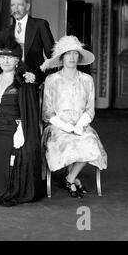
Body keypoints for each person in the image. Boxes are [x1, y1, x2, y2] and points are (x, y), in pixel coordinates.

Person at [0, 37, 44, 206]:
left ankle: (5, 191)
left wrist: (21, 128)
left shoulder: (24, 81)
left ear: (17, 60)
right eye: (2, 57)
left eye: (10, 57)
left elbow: (28, 111)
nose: (5, 60)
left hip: (12, 128)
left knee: (5, 143)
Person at [41, 35, 108, 198]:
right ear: (62, 57)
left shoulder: (87, 80)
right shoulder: (52, 80)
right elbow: (47, 111)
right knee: (69, 143)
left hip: (81, 125)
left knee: (90, 143)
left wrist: (79, 125)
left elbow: (90, 110)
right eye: (68, 53)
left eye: (75, 53)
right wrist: (65, 126)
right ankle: (71, 179)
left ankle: (70, 178)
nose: (72, 57)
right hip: (58, 127)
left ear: (79, 57)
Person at [0, 0, 54, 85]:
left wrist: (48, 78)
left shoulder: (40, 25)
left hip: (35, 79)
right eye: (12, 5)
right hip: (12, 80)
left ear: (27, 7)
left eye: (19, 5)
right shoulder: (7, 31)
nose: (15, 9)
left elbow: (52, 55)